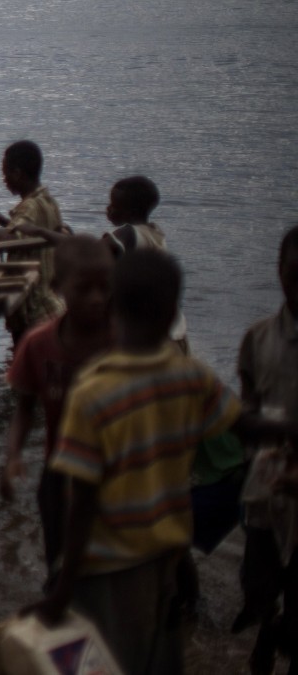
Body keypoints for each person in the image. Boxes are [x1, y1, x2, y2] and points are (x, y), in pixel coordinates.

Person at [30, 249, 298, 675]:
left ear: (112, 308)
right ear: (174, 310)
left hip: (107, 566)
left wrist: (62, 583)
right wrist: (287, 432)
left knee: (100, 661)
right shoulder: (189, 376)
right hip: (165, 559)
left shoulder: (93, 390)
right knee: (160, 657)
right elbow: (245, 426)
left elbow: (81, 500)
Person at [0, 236, 114, 580]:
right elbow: (24, 408)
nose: (96, 299)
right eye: (84, 289)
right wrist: (12, 456)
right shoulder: (38, 344)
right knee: (58, 564)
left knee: (115, 564)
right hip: (58, 468)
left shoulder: (124, 342)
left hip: (117, 469)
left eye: (105, 288)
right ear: (57, 287)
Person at [234, 225, 298, 675]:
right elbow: (249, 405)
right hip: (267, 481)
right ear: (279, 272)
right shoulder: (259, 338)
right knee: (257, 585)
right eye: (295, 274)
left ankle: (282, 638)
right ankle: (269, 630)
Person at [0, 140, 64, 342]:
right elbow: (27, 231)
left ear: (17, 173)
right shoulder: (47, 201)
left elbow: (11, 238)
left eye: (5, 173)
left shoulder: (30, 207)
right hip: (50, 301)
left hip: (36, 309)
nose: (4, 179)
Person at [101, 175, 190, 351]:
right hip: (174, 330)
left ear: (131, 211)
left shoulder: (125, 234)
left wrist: (53, 235)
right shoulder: (155, 233)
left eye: (114, 206)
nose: (108, 209)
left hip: (148, 336)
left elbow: (89, 252)